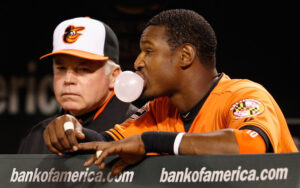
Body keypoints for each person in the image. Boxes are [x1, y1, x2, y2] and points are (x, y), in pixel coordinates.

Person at [43, 9, 298, 174]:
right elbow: (108, 143)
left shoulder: (244, 94)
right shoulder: (159, 110)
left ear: (185, 55)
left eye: (149, 51)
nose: (138, 62)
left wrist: (153, 141)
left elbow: (250, 146)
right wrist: (69, 129)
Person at [18, 17, 137, 154]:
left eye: (84, 69)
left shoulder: (138, 127)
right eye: (61, 68)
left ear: (113, 76)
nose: (68, 80)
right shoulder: (38, 136)